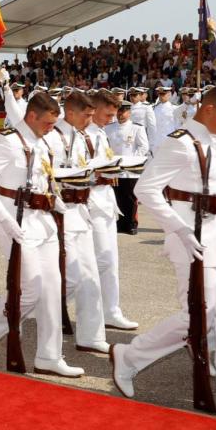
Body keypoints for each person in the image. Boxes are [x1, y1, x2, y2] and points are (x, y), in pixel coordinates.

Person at [111, 84, 216, 423]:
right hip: (191, 237)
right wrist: (177, 228)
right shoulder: (180, 143)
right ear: (207, 110)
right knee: (197, 317)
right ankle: (129, 356)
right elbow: (147, 190)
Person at [0, 91, 85, 378]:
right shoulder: (6, 142)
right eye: (46, 122)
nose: (50, 128)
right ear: (31, 116)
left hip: (44, 222)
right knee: (30, 289)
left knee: (52, 291)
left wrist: (54, 198)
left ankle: (49, 355)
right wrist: (4, 220)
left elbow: (44, 177)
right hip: (16, 222)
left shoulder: (42, 142)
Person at [44, 90, 109, 355]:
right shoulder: (52, 137)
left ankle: (91, 335)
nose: (89, 120)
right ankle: (11, 317)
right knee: (69, 277)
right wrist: (76, 174)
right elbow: (46, 172)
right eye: (86, 115)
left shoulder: (79, 136)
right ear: (70, 112)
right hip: (62, 210)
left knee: (90, 275)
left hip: (81, 209)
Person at [85, 92, 139, 330]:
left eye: (114, 114)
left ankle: (110, 310)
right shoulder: (82, 134)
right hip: (89, 201)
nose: (111, 118)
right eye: (107, 114)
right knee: (92, 263)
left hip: (106, 201)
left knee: (109, 261)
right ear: (93, 109)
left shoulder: (100, 134)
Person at [106, 101, 149, 234]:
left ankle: (132, 223)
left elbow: (143, 147)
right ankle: (121, 222)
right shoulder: (109, 128)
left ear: (129, 113)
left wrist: (131, 161)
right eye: (119, 111)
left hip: (130, 169)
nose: (120, 114)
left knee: (130, 197)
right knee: (117, 196)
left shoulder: (137, 128)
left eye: (123, 111)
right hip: (115, 168)